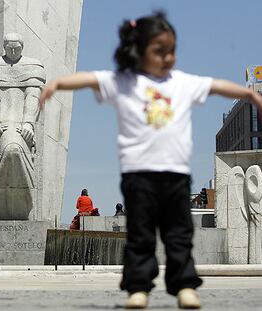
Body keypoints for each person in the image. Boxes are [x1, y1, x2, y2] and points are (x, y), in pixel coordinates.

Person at [39, 11, 262, 309]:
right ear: (139, 51)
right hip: (139, 175)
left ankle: (184, 286)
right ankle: (138, 288)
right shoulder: (126, 82)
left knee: (178, 233)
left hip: (175, 175)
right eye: (160, 51)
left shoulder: (182, 83)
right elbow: (91, 78)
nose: (168, 57)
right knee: (141, 235)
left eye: (171, 50)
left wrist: (249, 95)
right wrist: (57, 84)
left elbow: (215, 86)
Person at [0, 32, 46, 220]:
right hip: (2, 125)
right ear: (4, 47)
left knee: (16, 149)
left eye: (16, 48)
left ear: (22, 47)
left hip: (24, 126)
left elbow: (33, 96)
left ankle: (25, 205)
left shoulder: (32, 66)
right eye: (9, 47)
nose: (12, 50)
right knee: (10, 148)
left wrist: (28, 122)